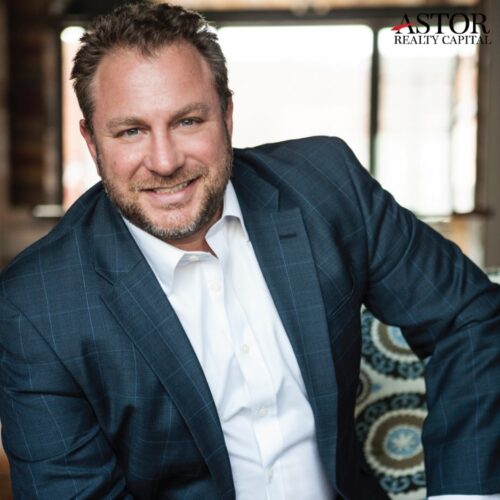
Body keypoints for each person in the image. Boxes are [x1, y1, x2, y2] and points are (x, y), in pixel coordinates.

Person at [1, 2, 499, 499]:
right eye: (131, 131)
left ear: (227, 114)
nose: (165, 161)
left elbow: (467, 317)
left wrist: (463, 493)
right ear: (92, 141)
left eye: (188, 121)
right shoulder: (35, 307)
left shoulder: (326, 186)